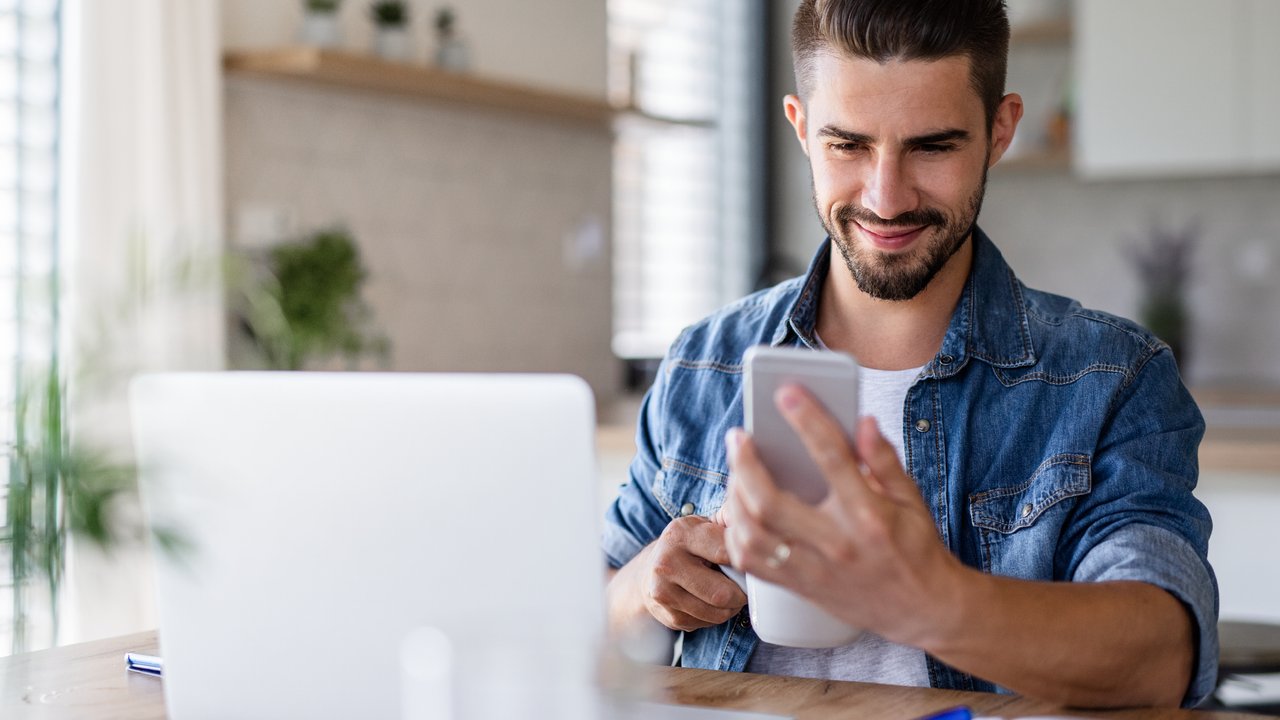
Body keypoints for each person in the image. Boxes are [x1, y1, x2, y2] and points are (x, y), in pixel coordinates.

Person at [602, 0, 1217, 709]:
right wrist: (647, 583)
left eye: (932, 146)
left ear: (1000, 130)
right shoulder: (704, 363)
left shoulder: (1111, 376)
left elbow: (1160, 657)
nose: (886, 198)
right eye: (848, 145)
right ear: (801, 128)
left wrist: (930, 600)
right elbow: (583, 615)